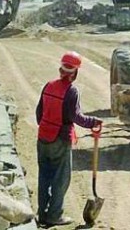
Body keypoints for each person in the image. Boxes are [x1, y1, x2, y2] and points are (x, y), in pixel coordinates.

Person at [35, 51, 102, 227]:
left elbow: (38, 113)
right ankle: (54, 215)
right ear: (75, 72)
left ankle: (42, 214)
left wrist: (46, 126)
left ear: (61, 68)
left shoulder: (48, 85)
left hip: (43, 138)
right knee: (61, 179)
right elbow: (75, 116)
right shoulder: (71, 91)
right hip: (59, 139)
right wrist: (93, 122)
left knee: (44, 176)